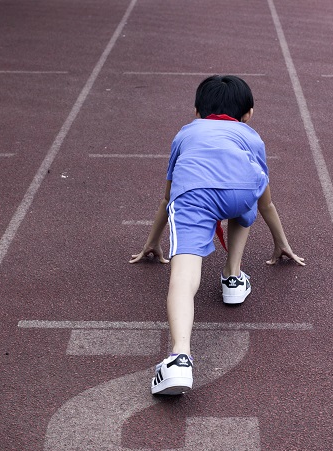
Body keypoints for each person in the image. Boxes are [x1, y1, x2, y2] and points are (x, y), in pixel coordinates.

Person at [129, 75, 305, 395]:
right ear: (248, 113)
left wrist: (153, 241)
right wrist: (282, 242)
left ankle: (179, 358)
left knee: (183, 279)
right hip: (241, 193)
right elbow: (264, 201)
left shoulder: (186, 134)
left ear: (196, 111)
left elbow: (167, 198)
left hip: (194, 196)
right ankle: (233, 278)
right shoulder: (251, 137)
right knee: (244, 203)